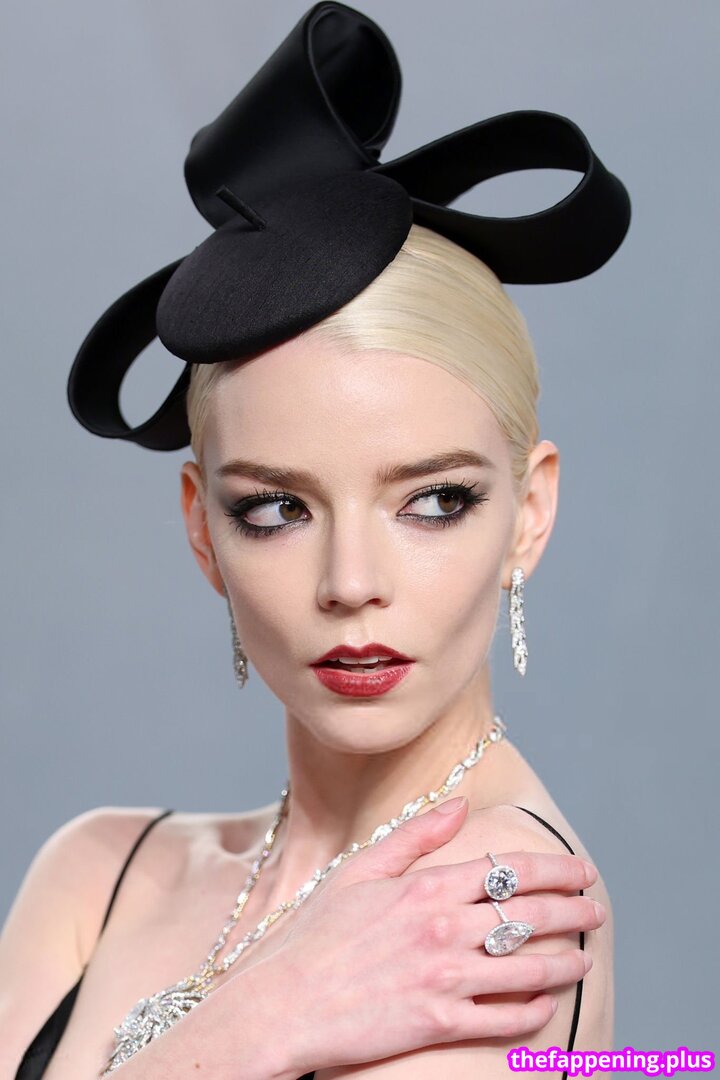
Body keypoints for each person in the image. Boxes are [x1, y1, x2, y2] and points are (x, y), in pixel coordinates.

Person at [0, 3, 630, 1077]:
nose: (350, 583)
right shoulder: (99, 873)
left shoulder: (494, 911)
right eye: (276, 509)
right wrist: (249, 1024)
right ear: (202, 530)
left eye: (433, 501)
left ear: (530, 511)